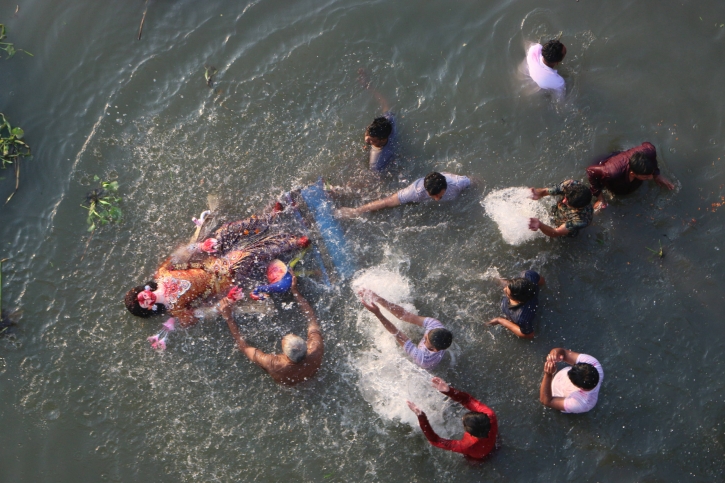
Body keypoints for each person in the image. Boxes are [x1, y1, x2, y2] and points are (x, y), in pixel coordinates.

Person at [125, 213, 310, 326]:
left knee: (227, 231)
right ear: (148, 308)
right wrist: (228, 300)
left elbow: (178, 256)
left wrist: (200, 247)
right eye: (142, 302)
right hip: (224, 279)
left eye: (140, 294)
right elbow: (204, 313)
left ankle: (269, 217)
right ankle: (291, 243)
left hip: (211, 258)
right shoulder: (176, 310)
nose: (144, 296)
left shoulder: (161, 274)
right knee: (245, 255)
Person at [219, 275, 323, 386]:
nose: (284, 336)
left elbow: (244, 347)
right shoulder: (315, 348)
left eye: (284, 340)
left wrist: (228, 317)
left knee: (260, 364)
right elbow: (311, 318)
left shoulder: (273, 363)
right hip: (308, 376)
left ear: (286, 356)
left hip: (285, 382)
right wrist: (295, 291)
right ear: (306, 347)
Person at [357, 289, 452, 369]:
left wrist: (378, 313)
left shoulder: (422, 358)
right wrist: (377, 298)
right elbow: (405, 315)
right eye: (426, 335)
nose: (424, 338)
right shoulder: (435, 325)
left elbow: (396, 333)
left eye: (426, 340)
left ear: (434, 349)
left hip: (423, 367)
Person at [406, 377, 498, 460]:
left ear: (470, 433)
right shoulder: (490, 415)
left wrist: (421, 416)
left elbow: (435, 441)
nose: (462, 419)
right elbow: (467, 400)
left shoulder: (467, 446)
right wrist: (448, 391)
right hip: (493, 444)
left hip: (477, 459)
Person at [335, 172, 471, 219]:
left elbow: (476, 181)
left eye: (440, 196)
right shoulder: (416, 191)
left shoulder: (459, 183)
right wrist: (357, 211)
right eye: (433, 196)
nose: (436, 200)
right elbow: (387, 201)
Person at [586, 142, 676, 210]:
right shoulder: (611, 171)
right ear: (633, 173)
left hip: (626, 159)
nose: (650, 178)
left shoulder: (649, 151)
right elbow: (590, 171)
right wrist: (600, 198)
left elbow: (648, 146)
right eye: (646, 177)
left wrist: (656, 174)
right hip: (606, 166)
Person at [540, 347, 603, 413]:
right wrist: (555, 353)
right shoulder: (594, 364)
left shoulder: (581, 403)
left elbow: (546, 401)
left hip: (558, 395)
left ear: (579, 387)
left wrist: (548, 375)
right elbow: (563, 352)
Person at [359, 68, 397, 173]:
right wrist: (368, 86)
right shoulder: (390, 120)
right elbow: (384, 103)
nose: (368, 141)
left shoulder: (376, 162)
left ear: (383, 139)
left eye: (373, 140)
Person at [486, 270, 544, 339]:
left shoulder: (521, 317)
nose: (504, 290)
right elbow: (542, 281)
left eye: (507, 293)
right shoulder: (529, 275)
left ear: (517, 299)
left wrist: (501, 321)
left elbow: (529, 335)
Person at [529, 179, 593, 238]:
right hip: (557, 211)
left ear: (576, 207)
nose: (563, 201)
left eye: (567, 202)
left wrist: (540, 225)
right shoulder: (571, 185)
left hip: (566, 228)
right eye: (565, 197)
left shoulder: (581, 220)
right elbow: (546, 190)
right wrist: (538, 193)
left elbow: (556, 232)